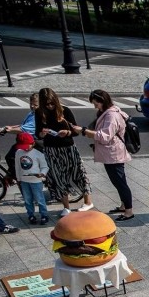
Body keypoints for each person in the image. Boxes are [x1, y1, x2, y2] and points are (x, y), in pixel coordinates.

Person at [71, 90, 134, 221]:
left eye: (96, 104)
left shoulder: (111, 116)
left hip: (113, 154)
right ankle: (124, 205)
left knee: (120, 182)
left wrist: (83, 131)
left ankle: (129, 212)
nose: (95, 106)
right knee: (118, 182)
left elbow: (105, 137)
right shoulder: (111, 111)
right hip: (111, 153)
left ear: (102, 101)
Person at [35, 88, 94, 216]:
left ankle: (88, 202)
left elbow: (75, 130)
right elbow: (38, 134)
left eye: (52, 103)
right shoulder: (39, 113)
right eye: (47, 104)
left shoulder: (64, 110)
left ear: (55, 101)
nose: (50, 106)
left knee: (78, 171)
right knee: (58, 176)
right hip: (51, 149)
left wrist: (67, 132)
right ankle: (66, 207)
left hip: (68, 147)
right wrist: (42, 133)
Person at [1, 92, 40, 180]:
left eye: (35, 104)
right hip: (23, 140)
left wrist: (8, 130)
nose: (32, 106)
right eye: (31, 104)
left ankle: (16, 177)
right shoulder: (31, 113)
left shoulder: (37, 116)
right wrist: (10, 127)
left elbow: (23, 129)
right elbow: (22, 125)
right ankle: (13, 174)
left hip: (31, 142)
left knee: (10, 157)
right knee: (13, 157)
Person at [13, 132, 49, 225]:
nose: (24, 148)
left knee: (39, 199)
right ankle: (31, 215)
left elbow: (45, 167)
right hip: (24, 180)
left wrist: (42, 174)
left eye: (26, 146)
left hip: (36, 181)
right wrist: (18, 178)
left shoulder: (38, 154)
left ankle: (44, 215)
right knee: (28, 199)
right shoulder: (18, 152)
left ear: (33, 144)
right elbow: (17, 166)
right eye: (22, 146)